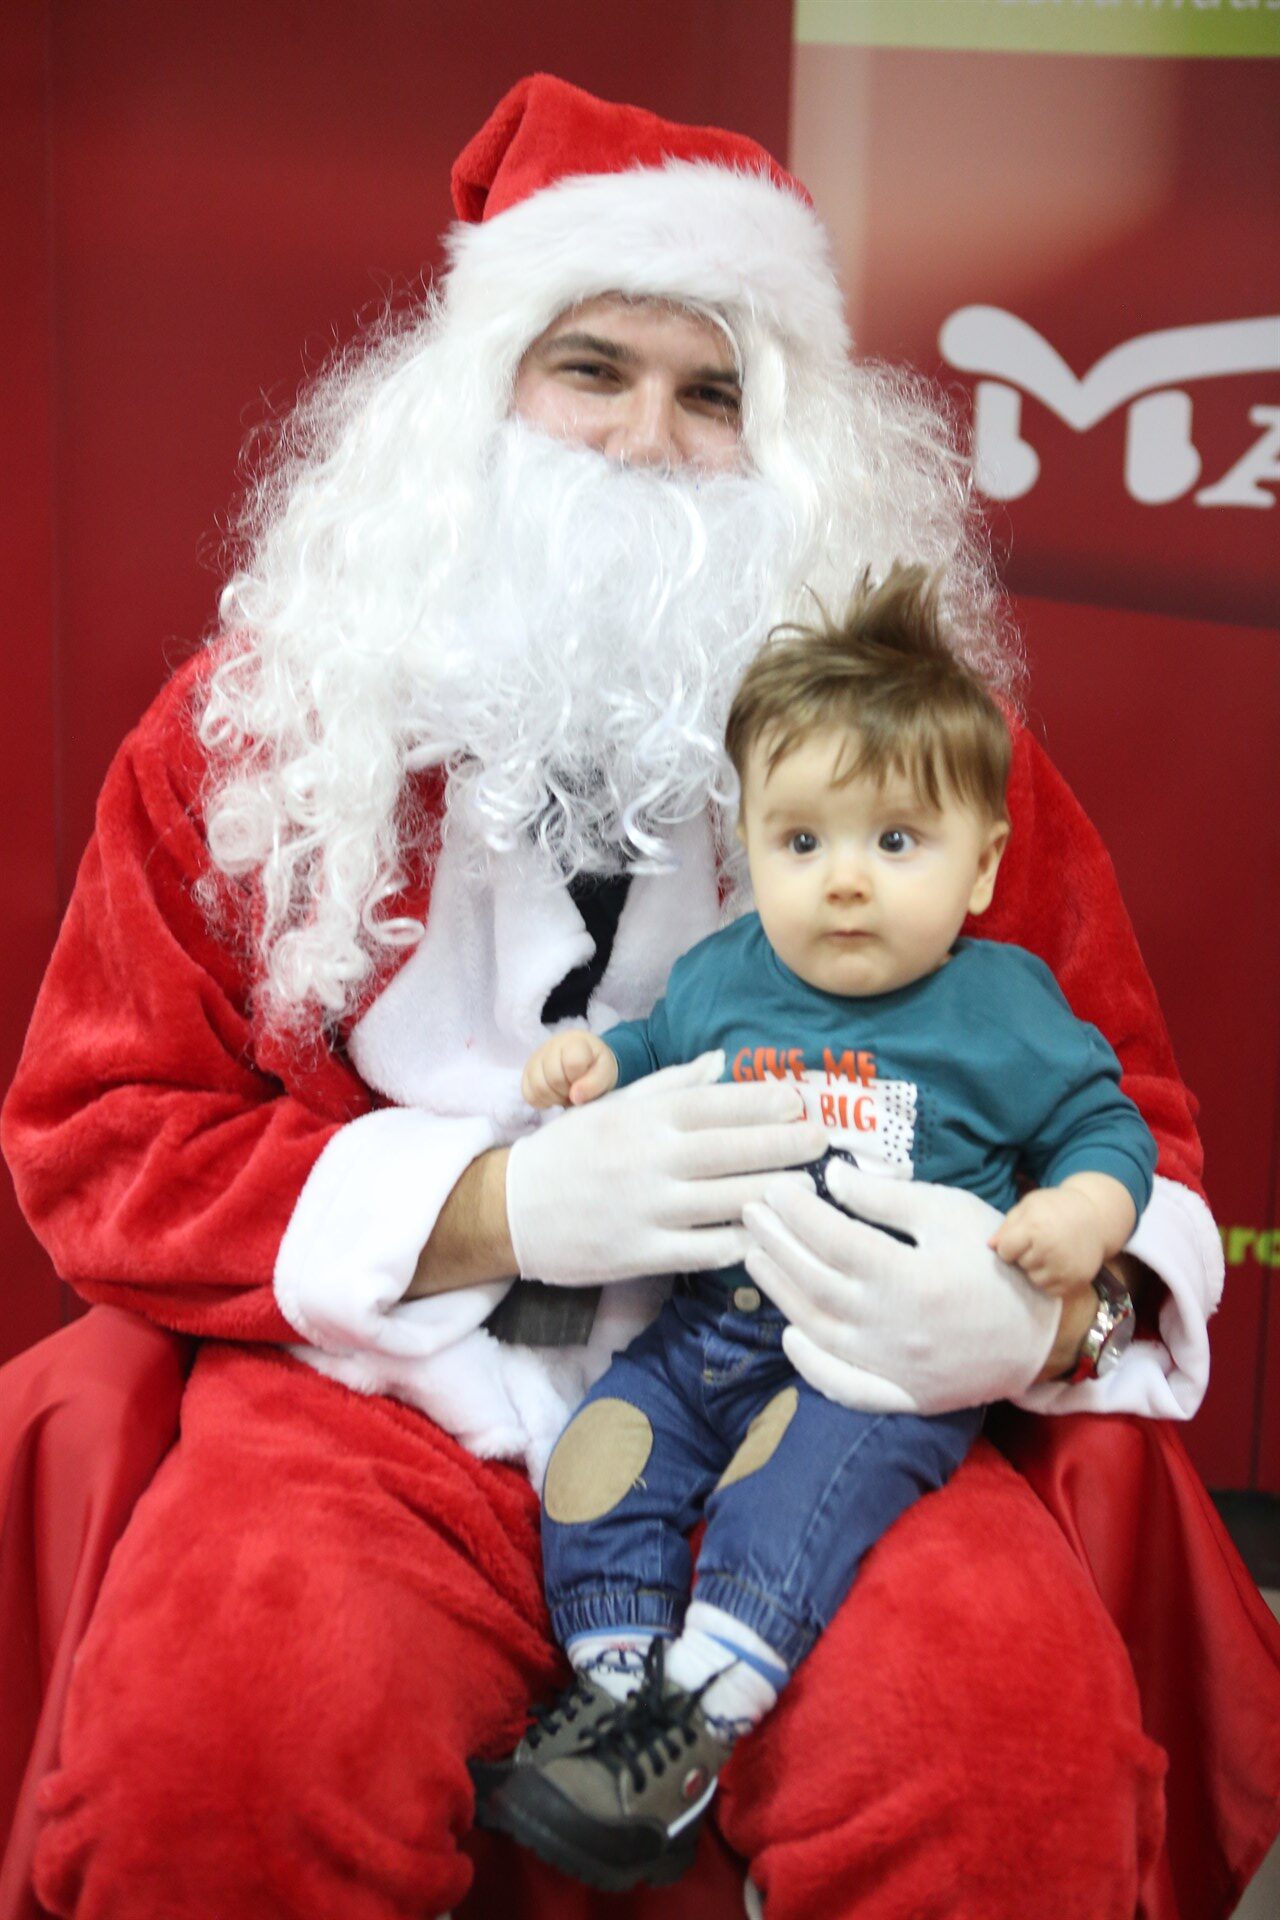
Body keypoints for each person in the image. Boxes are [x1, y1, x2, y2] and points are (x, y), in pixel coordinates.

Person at [0, 73, 1219, 1920]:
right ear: (477, 398)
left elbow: (1141, 1143)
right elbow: (101, 1134)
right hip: (387, 1411)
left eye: (713, 393)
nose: (649, 439)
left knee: (1003, 1761)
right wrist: (495, 1205)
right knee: (225, 1749)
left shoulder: (930, 779)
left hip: (825, 1407)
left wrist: (1039, 1314)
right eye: (592, 369)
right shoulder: (263, 732)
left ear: (788, 445)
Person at [485, 566, 1157, 1890]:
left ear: (983, 864)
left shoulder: (1005, 1010)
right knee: (597, 1462)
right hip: (705, 1332)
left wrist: (1081, 1214)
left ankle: (701, 1714)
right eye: (802, 844)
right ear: (748, 849)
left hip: (874, 1356)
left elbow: (1107, 1126)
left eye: (896, 843)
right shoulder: (725, 974)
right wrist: (598, 1069)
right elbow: (659, 1049)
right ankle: (618, 1694)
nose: (845, 883)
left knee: (784, 1505)